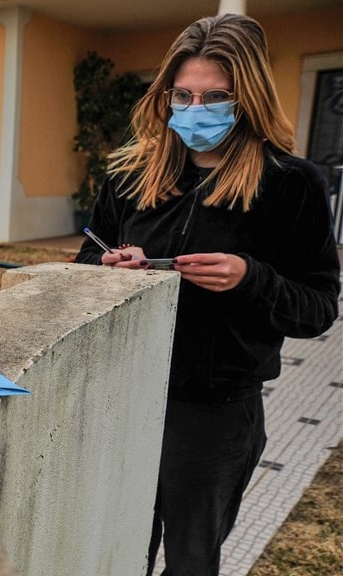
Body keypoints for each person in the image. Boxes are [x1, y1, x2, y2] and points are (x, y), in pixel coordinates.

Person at [74, 14, 340, 576]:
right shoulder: (129, 175)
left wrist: (251, 278)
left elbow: (319, 308)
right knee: (112, 552)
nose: (196, 109)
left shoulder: (290, 184)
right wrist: (108, 268)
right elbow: (85, 267)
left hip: (215, 416)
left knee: (192, 562)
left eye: (215, 97)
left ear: (248, 99)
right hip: (123, 399)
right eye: (183, 95)